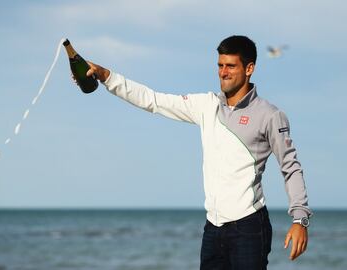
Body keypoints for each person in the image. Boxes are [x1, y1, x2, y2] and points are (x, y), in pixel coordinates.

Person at [80, 35, 311, 269]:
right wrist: (106, 76)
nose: (223, 72)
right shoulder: (206, 105)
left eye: (231, 66)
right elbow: (153, 100)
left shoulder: (270, 115)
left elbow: (290, 167)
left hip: (249, 227)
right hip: (213, 228)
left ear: (249, 68)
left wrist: (299, 220)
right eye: (220, 66)